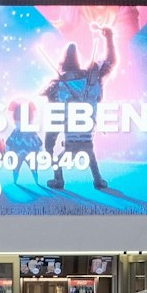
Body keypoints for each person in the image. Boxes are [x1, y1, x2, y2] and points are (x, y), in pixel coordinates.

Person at [43, 24, 116, 190]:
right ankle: (97, 180)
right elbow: (110, 62)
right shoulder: (91, 78)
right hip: (86, 134)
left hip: (72, 138)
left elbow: (54, 118)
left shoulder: (57, 85)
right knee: (89, 153)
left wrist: (50, 141)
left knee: (62, 157)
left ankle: (59, 180)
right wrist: (109, 38)